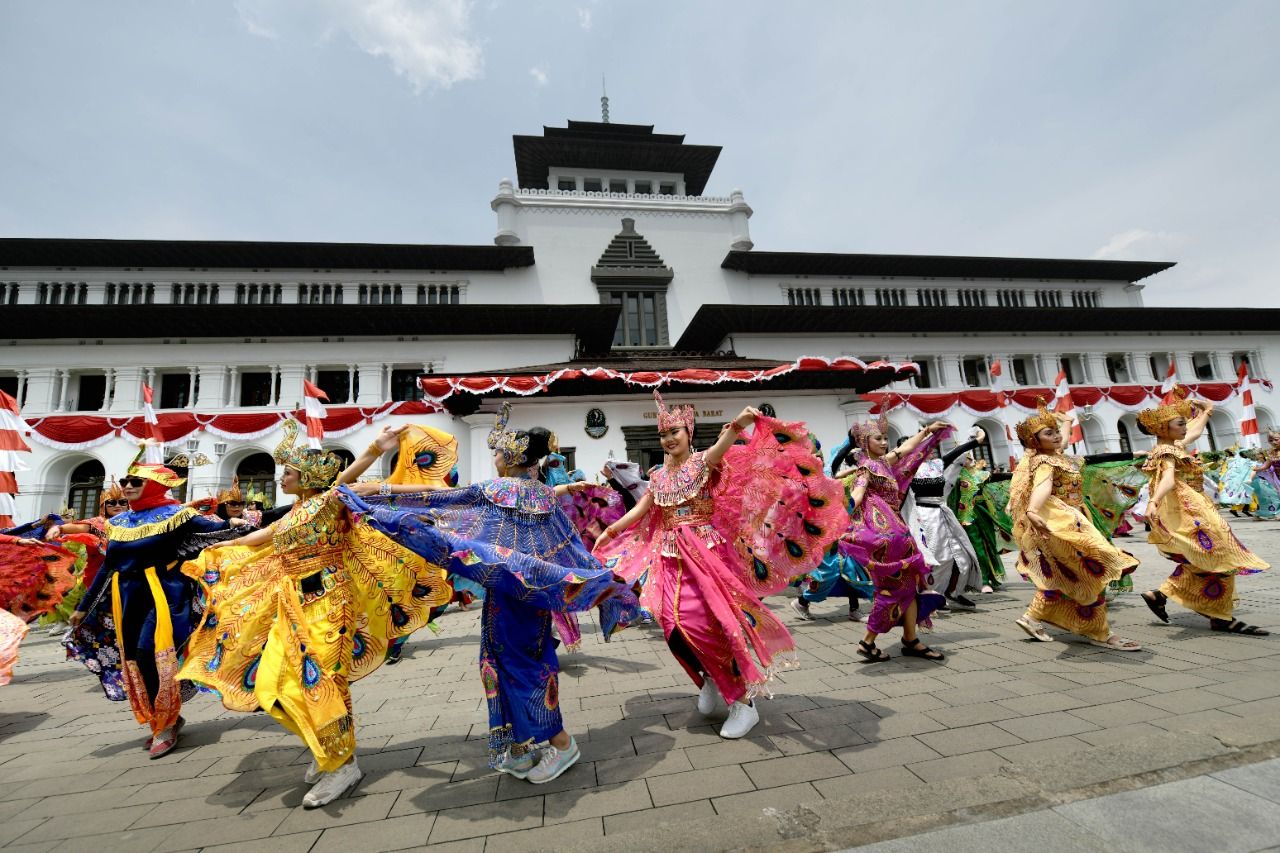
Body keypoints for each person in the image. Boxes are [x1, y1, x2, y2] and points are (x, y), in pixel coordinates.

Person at [340, 404, 640, 784]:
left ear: (513, 457)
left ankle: (562, 744)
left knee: (517, 666)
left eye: (497, 452)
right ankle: (523, 746)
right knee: (513, 661)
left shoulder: (498, 489)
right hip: (529, 594)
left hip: (513, 596)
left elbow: (438, 498)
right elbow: (569, 543)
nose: (494, 458)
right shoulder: (544, 495)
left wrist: (378, 493)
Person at [179, 421, 450, 807]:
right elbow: (265, 536)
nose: (282, 477)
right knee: (270, 687)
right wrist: (225, 547)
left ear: (307, 478)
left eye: (288, 472)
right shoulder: (294, 513)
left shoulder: (328, 502)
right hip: (290, 605)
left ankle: (340, 763)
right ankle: (329, 749)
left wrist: (374, 448)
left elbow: (347, 479)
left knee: (317, 684)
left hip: (328, 604)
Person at [596, 393, 845, 738]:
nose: (669, 439)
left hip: (705, 555)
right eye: (664, 435)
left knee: (705, 625)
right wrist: (610, 531)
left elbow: (721, 447)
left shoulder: (701, 463)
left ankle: (743, 702)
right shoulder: (657, 477)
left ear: (689, 433)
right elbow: (641, 510)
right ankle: (710, 677)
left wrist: (739, 425)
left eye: (676, 432)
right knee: (671, 626)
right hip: (670, 559)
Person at [65, 456, 230, 757]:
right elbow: (107, 567)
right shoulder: (118, 523)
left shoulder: (176, 515)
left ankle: (166, 724)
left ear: (154, 486)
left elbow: (220, 531)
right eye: (125, 482)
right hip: (127, 597)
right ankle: (165, 718)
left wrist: (253, 522)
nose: (127, 487)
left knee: (148, 654)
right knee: (137, 662)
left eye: (135, 482)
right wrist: (82, 607)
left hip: (165, 594)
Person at [1138, 388, 1270, 635]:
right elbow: (1167, 479)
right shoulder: (1166, 452)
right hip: (1190, 512)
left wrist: (1207, 411)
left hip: (1196, 508)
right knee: (1221, 556)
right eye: (1180, 423)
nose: (1186, 427)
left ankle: (1170, 598)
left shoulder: (1173, 446)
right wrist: (1153, 502)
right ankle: (1215, 615)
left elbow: (1196, 431)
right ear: (1164, 429)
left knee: (1207, 560)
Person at [1008, 405, 1141, 650]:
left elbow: (1065, 440)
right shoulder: (1045, 462)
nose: (1057, 436)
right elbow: (1043, 486)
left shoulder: (1060, 457)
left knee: (1069, 576)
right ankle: (1100, 633)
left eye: (1056, 431)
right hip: (1061, 524)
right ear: (1033, 440)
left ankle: (1033, 617)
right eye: (1049, 433)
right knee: (1091, 572)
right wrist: (1033, 510)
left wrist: (1067, 422)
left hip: (1074, 520)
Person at [831, 416, 952, 663]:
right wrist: (837, 517)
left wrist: (927, 431)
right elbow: (858, 492)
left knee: (909, 586)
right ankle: (868, 641)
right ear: (865, 442)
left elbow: (905, 449)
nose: (885, 442)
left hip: (897, 532)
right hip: (885, 538)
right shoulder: (866, 468)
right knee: (892, 590)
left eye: (886, 438)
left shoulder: (883, 463)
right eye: (879, 438)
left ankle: (911, 639)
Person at [904, 428, 988, 609]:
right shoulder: (907, 470)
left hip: (942, 514)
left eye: (931, 445)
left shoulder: (936, 464)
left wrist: (974, 441)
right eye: (924, 445)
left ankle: (951, 592)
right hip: (921, 517)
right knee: (934, 558)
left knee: (962, 555)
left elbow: (956, 455)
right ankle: (928, 596)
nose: (930, 449)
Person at [1252, 429, 1280, 520]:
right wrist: (1256, 469)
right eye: (1271, 440)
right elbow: (1266, 466)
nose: (1274, 442)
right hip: (1277, 479)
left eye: (1276, 439)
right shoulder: (1271, 452)